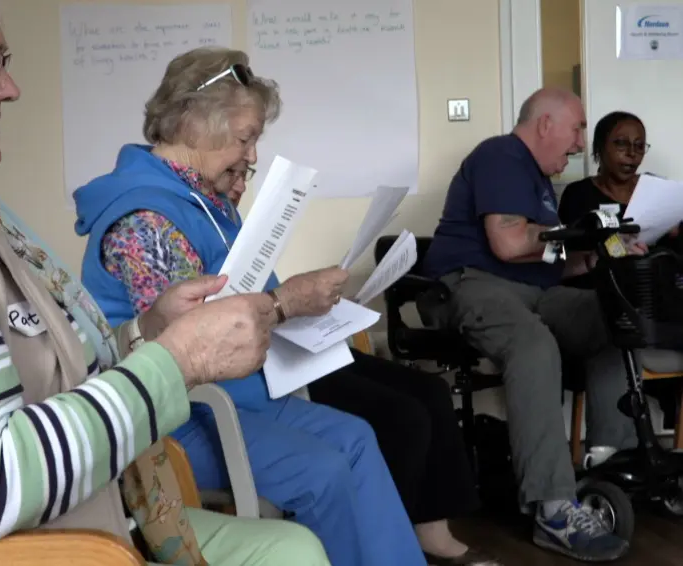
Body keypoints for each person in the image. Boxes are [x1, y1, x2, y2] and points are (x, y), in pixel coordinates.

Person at [0, 2, 331, 565]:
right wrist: (179, 358)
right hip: (68, 539)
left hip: (109, 502)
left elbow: (59, 371)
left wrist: (145, 332)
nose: (10, 87)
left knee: (299, 542)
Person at [74, 46, 427, 566]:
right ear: (194, 124)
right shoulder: (145, 217)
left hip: (243, 401)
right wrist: (286, 302)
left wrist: (303, 307)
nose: (253, 156)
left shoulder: (206, 200)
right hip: (180, 421)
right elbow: (191, 348)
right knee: (323, 470)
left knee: (356, 437)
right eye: (246, 138)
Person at [223, 163, 501, 566]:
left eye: (245, 171)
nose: (240, 182)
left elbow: (263, 295)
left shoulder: (226, 217)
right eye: (235, 169)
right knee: (402, 417)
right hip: (271, 366)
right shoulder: (175, 224)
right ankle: (385, 541)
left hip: (292, 343)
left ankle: (432, 532)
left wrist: (315, 307)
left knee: (432, 391)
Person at [421, 87, 645, 562]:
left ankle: (611, 460)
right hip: (473, 285)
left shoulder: (543, 182)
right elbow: (506, 244)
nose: (581, 143)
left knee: (618, 318)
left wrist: (597, 253)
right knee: (534, 346)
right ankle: (555, 508)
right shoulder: (501, 154)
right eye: (577, 129)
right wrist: (583, 234)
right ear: (545, 123)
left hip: (534, 291)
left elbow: (545, 258)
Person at [560, 110, 682, 288]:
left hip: (655, 291)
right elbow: (567, 258)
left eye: (639, 146)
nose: (632, 153)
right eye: (621, 144)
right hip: (598, 294)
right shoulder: (578, 193)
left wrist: (676, 230)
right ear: (600, 147)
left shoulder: (657, 189)